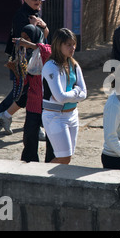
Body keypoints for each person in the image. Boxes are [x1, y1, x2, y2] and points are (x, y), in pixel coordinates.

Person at [0, 0, 49, 134]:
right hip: (23, 59)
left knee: (25, 89)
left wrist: (42, 26)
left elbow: (44, 36)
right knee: (24, 89)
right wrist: (36, 27)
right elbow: (22, 41)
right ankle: (4, 113)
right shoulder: (21, 16)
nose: (38, 1)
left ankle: (2, 112)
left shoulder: (34, 14)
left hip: (35, 58)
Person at [42, 28, 87, 164]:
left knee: (67, 157)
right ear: (58, 45)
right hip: (55, 116)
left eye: (73, 44)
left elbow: (84, 93)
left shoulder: (74, 64)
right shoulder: (51, 66)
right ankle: (38, 177)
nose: (72, 47)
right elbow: (60, 97)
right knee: (64, 158)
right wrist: (76, 92)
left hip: (73, 115)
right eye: (68, 44)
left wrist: (73, 93)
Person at [12, 25, 51, 162]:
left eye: (27, 38)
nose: (23, 40)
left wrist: (31, 45)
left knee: (51, 137)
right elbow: (23, 80)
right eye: (22, 37)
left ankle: (50, 162)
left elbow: (48, 51)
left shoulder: (44, 51)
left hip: (48, 103)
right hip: (33, 102)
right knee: (29, 135)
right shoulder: (24, 54)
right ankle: (30, 162)